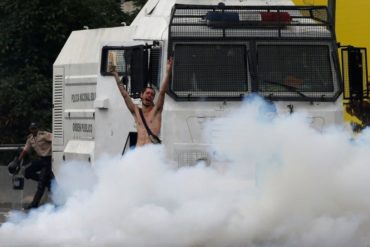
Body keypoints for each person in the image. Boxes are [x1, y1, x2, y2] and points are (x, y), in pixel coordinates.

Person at [111, 57, 173, 146]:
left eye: (152, 94)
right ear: (141, 95)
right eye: (147, 93)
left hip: (151, 154)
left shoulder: (156, 111)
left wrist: (168, 73)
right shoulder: (136, 111)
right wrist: (115, 75)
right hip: (139, 155)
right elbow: (124, 94)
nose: (149, 95)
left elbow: (162, 92)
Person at [18, 122, 54, 209]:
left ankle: (34, 205)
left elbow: (56, 139)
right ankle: (47, 182)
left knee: (41, 185)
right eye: (32, 129)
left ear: (37, 128)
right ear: (30, 130)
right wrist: (18, 161)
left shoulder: (44, 135)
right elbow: (25, 150)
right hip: (41, 160)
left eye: (35, 128)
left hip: (49, 160)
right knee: (27, 171)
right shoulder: (30, 138)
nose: (33, 130)